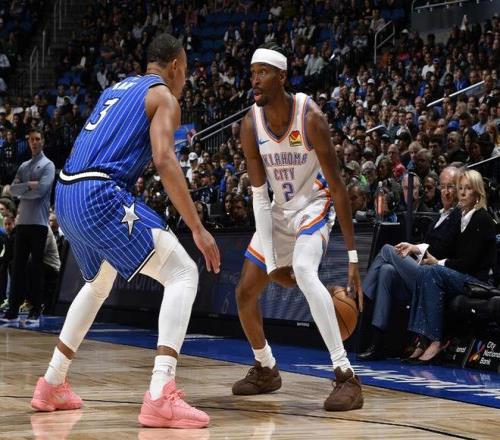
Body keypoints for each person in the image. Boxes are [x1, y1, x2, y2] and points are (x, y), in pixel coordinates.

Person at [30, 34, 220, 430]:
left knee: (98, 283)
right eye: (186, 70)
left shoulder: (116, 89)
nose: (185, 79)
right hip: (98, 192)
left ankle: (51, 383)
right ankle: (161, 393)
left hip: (65, 192)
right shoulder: (164, 96)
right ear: (175, 66)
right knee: (183, 272)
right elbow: (164, 159)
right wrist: (197, 227)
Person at [233, 43, 364, 412]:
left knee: (305, 271)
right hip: (279, 211)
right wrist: (273, 262)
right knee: (244, 293)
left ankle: (346, 376)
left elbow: (339, 187)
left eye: (263, 72)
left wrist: (353, 258)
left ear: (282, 77)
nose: (255, 80)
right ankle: (266, 368)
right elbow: (260, 197)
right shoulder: (250, 124)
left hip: (314, 205)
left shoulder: (310, 117)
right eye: (252, 73)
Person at [358, 167, 461, 360]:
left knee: (387, 250)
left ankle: (362, 295)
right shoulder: (440, 216)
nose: (446, 192)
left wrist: (419, 250)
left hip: (436, 278)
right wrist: (417, 251)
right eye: (443, 187)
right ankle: (377, 341)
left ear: (459, 189)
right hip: (423, 271)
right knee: (387, 271)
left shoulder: (458, 216)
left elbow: (444, 250)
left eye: (451, 187)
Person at [408, 169, 496, 364]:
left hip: (477, 281)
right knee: (423, 271)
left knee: (432, 271)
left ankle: (436, 340)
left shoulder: (482, 219)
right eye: (460, 188)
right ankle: (422, 338)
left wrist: (438, 262)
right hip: (461, 275)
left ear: (477, 194)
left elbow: (468, 263)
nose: (462, 193)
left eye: (468, 189)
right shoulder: (462, 218)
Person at [0, 128, 55, 325]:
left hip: (39, 224)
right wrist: (28, 186)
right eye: (31, 139)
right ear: (29, 142)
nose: (34, 142)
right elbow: (12, 190)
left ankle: (35, 312)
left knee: (36, 269)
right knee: (17, 268)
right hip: (22, 224)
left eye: (38, 139)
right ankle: (13, 311)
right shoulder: (23, 166)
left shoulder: (48, 165)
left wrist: (24, 189)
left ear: (43, 141)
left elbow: (41, 191)